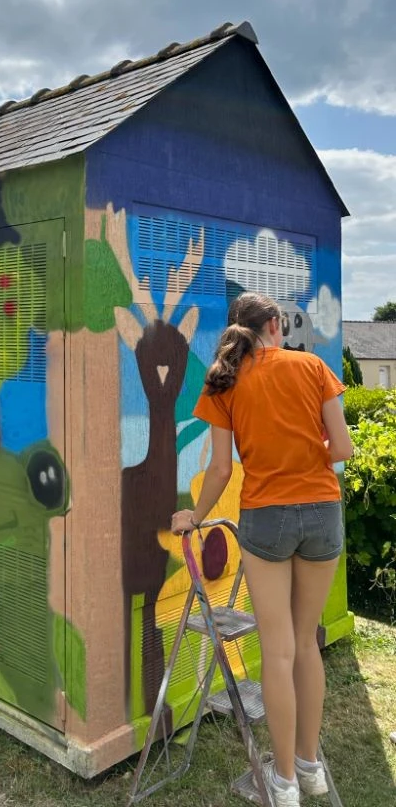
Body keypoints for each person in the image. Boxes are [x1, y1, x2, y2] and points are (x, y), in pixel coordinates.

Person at [171, 292, 353, 807]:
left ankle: (285, 783)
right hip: (322, 512)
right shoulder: (312, 366)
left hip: (266, 518)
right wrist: (305, 451)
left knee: (277, 651)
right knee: (306, 642)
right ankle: (310, 767)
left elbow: (220, 469)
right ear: (275, 325)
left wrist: (194, 517)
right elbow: (342, 448)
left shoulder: (222, 381)